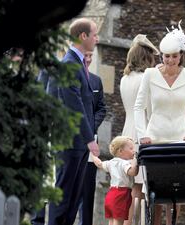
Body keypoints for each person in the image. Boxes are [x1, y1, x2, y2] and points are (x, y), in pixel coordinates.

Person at [134, 20, 185, 225]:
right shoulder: (150, 74)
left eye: (174, 56)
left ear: (180, 55)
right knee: (155, 193)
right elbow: (139, 107)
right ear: (161, 56)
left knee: (179, 189)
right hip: (155, 136)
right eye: (166, 56)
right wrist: (142, 134)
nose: (171, 60)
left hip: (181, 136)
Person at [47, 18, 99, 225]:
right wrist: (89, 139)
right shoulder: (69, 63)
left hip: (78, 144)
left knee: (72, 203)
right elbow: (73, 105)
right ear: (82, 36)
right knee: (63, 201)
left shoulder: (76, 62)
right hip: (71, 142)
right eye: (94, 34)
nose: (97, 38)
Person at [120, 34, 159, 225]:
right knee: (139, 188)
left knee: (129, 188)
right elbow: (151, 111)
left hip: (127, 131)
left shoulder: (125, 78)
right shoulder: (146, 79)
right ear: (146, 57)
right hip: (142, 132)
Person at [77, 50, 107, 225]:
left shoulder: (96, 80)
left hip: (91, 145)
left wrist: (89, 126)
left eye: (90, 56)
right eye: (85, 57)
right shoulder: (69, 79)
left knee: (88, 191)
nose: (88, 60)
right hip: (71, 142)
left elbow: (102, 108)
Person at [92, 136, 138, 225]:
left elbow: (99, 164)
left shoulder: (111, 162)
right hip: (122, 194)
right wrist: (135, 161)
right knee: (118, 221)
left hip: (111, 194)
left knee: (111, 220)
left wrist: (93, 154)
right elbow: (132, 172)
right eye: (131, 148)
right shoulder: (125, 163)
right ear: (121, 151)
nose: (134, 151)